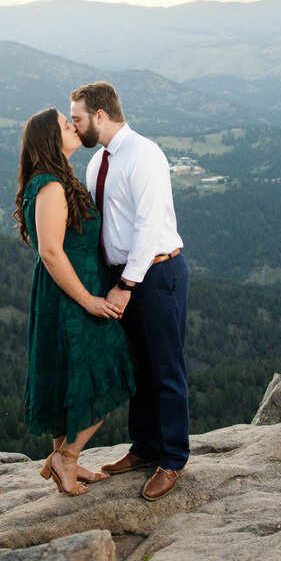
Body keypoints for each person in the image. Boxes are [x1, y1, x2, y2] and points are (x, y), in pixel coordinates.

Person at [69, 81, 190, 502]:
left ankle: (173, 460)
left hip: (155, 275)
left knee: (166, 369)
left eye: (78, 118)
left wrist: (125, 285)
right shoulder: (98, 161)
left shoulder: (144, 155)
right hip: (121, 276)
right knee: (138, 368)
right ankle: (144, 448)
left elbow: (149, 227)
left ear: (100, 116)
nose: (74, 125)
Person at [14, 108, 137, 496]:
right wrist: (88, 300)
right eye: (66, 125)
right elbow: (51, 252)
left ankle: (65, 462)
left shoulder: (57, 179)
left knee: (66, 374)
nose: (73, 126)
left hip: (66, 293)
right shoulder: (50, 186)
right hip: (71, 297)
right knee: (110, 370)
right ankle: (66, 457)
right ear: (51, 139)